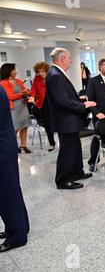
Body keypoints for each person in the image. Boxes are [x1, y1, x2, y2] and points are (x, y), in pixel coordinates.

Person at [46, 48, 96, 190]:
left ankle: (76, 173)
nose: (71, 60)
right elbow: (61, 101)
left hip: (69, 120)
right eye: (69, 58)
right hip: (65, 120)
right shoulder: (55, 75)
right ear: (62, 59)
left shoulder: (57, 73)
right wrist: (83, 105)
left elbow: (64, 97)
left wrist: (78, 99)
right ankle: (63, 180)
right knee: (67, 150)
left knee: (75, 147)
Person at [0, 86, 29, 252]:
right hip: (5, 145)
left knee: (6, 193)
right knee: (11, 191)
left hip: (2, 148)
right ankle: (20, 227)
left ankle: (17, 236)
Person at [0, 63, 32, 154]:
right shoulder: (3, 83)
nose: (16, 71)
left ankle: (23, 146)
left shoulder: (18, 81)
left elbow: (25, 91)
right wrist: (21, 94)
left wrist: (26, 92)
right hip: (13, 108)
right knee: (15, 128)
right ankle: (13, 146)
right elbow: (9, 96)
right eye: (14, 70)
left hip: (23, 106)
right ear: (8, 71)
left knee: (24, 127)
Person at [29, 61, 56, 152]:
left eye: (42, 71)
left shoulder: (52, 76)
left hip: (53, 102)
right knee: (48, 125)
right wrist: (32, 97)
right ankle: (52, 143)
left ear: (46, 70)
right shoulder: (37, 79)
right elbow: (33, 89)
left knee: (58, 122)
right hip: (43, 103)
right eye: (38, 72)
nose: (40, 73)